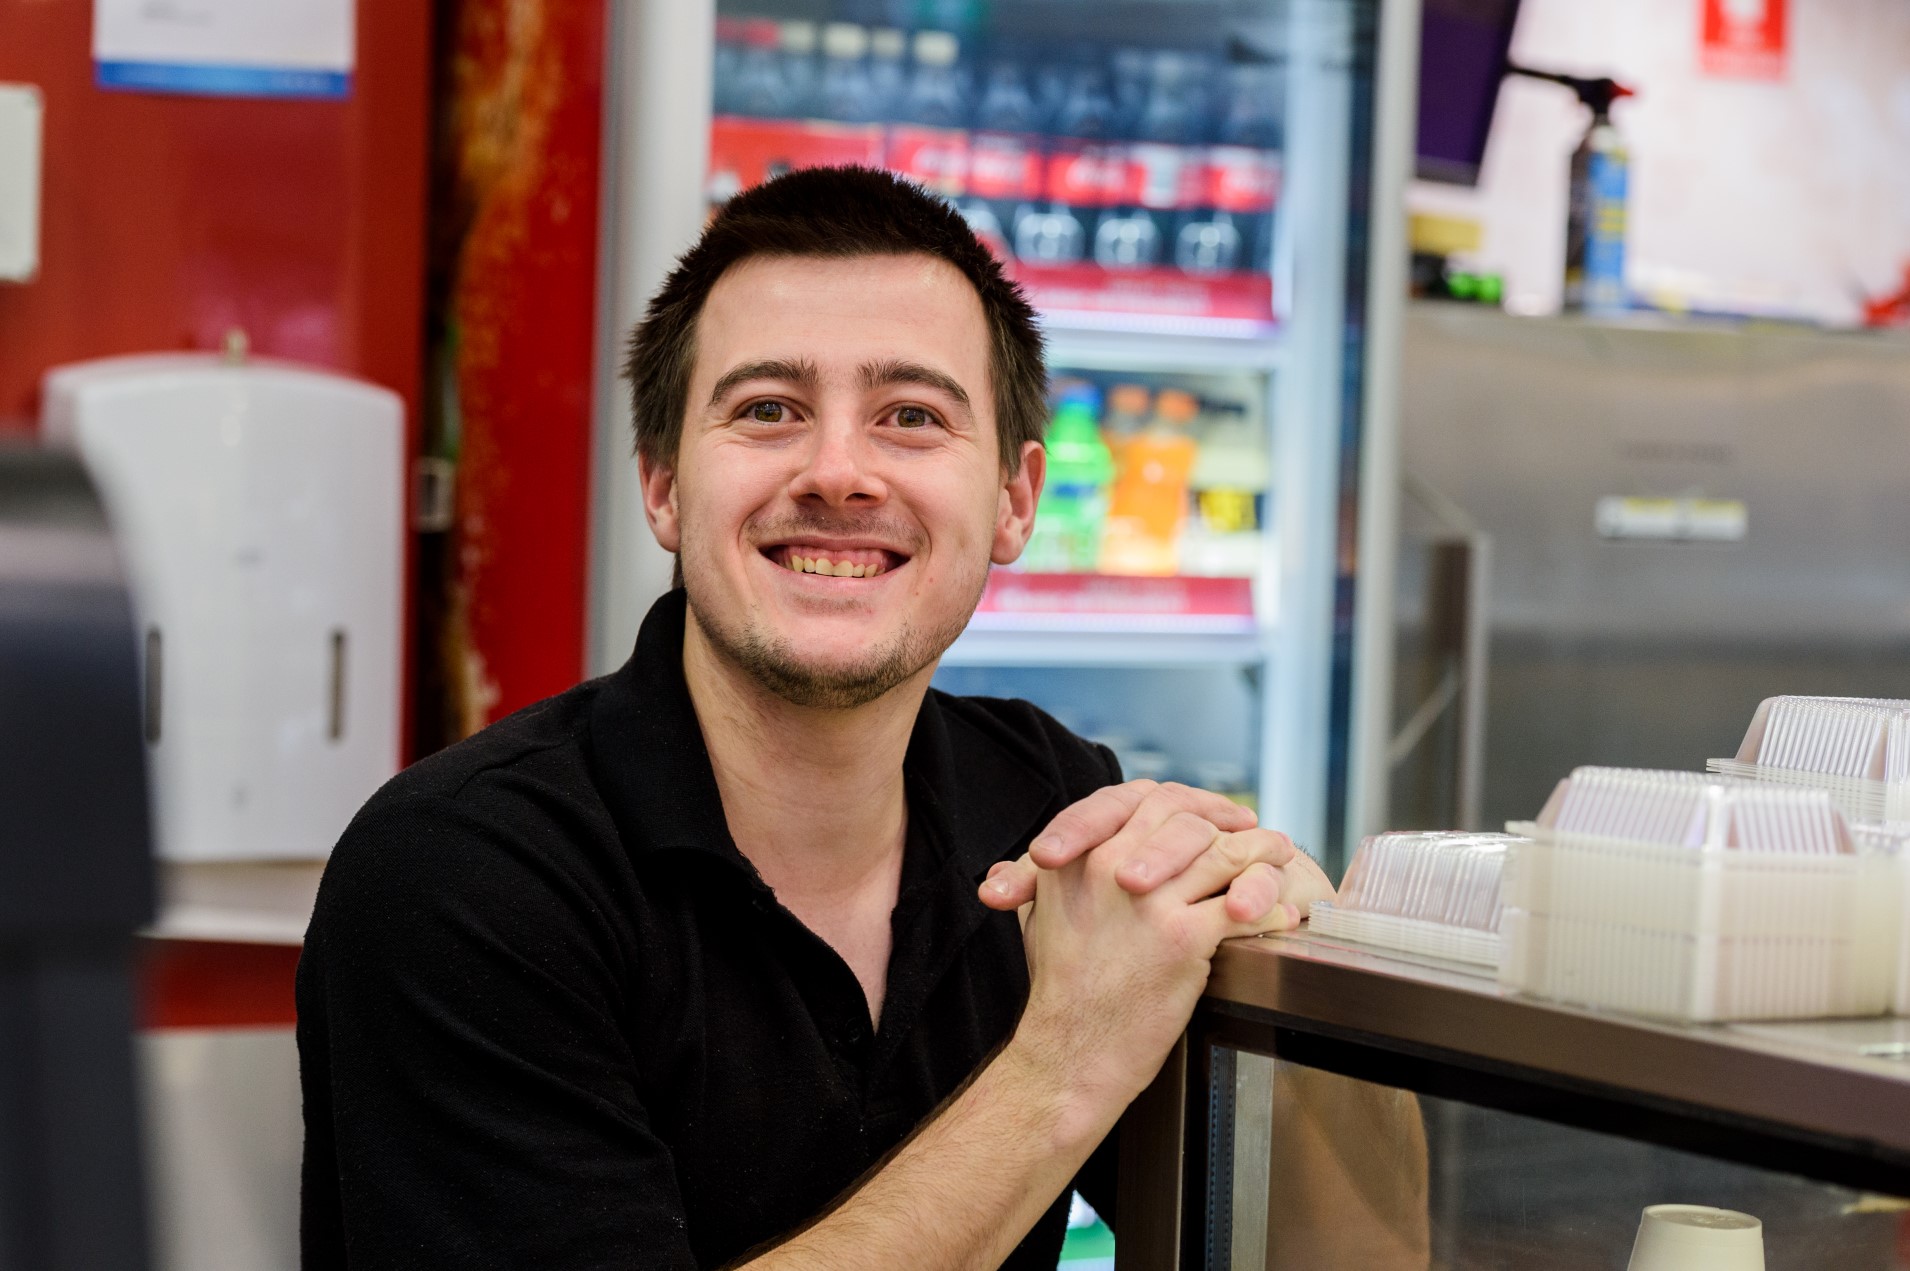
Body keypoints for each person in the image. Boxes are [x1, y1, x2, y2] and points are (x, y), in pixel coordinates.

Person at [296, 165, 1334, 1270]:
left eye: (910, 416)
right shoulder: (459, 873)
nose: (838, 472)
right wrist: (1061, 1064)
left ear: (1014, 499)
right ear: (661, 483)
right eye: (767, 410)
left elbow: (1340, 1256)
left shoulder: (1051, 806)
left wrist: (1321, 983)